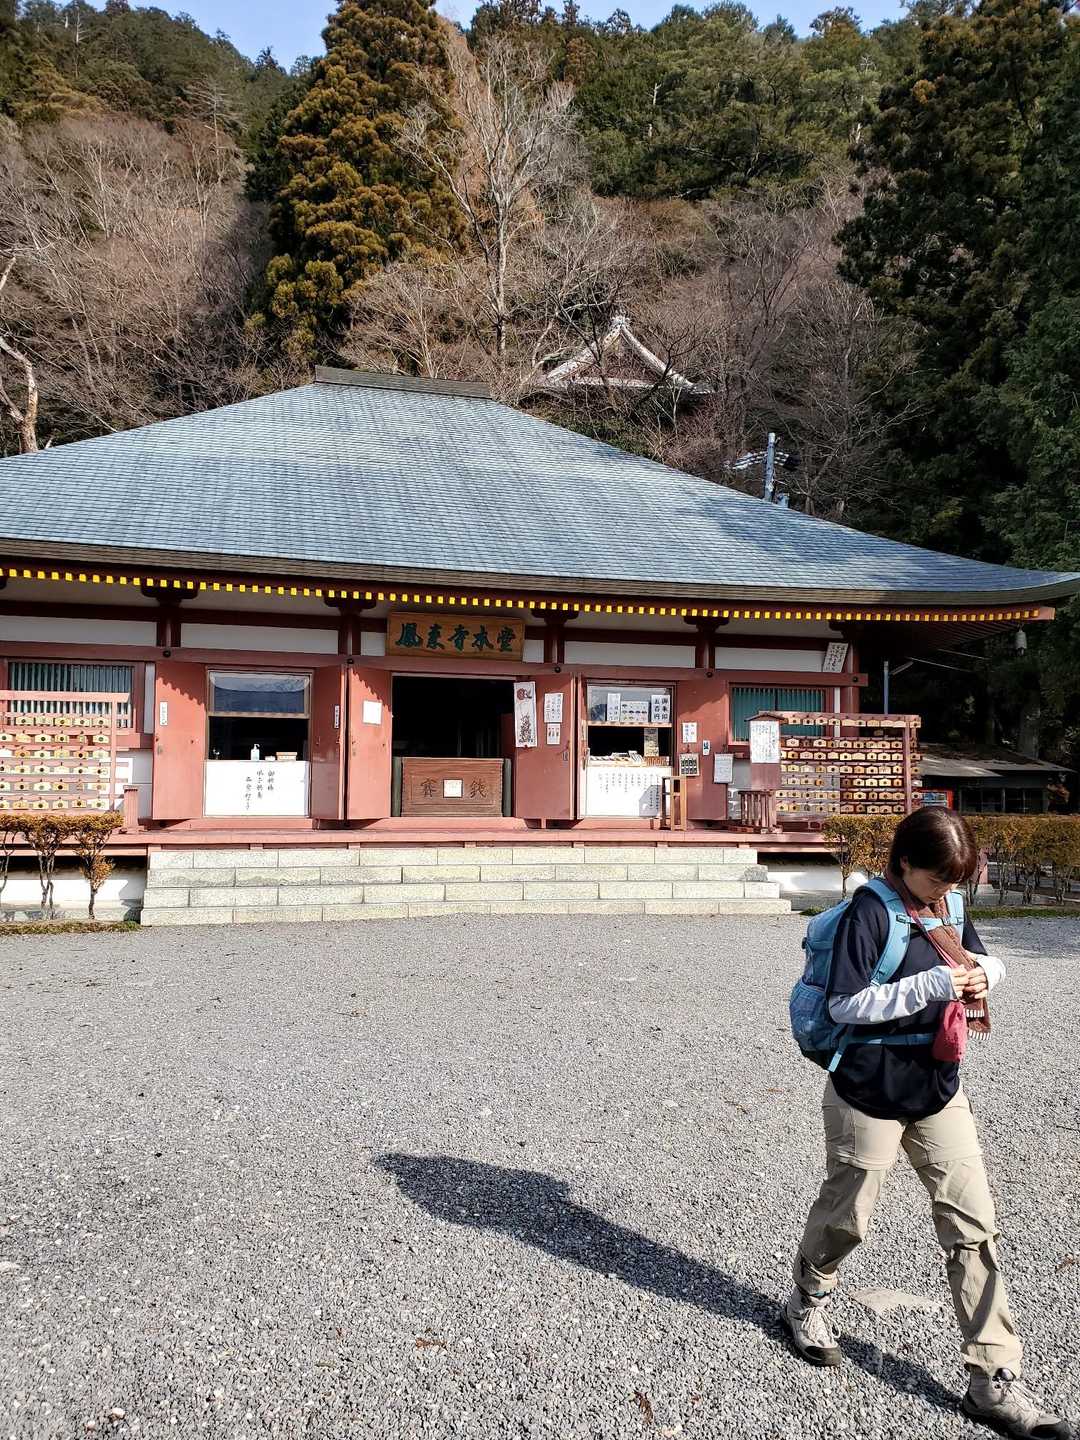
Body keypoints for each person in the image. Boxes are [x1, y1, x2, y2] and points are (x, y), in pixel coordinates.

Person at [783, 807, 1072, 1440]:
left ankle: (992, 1379)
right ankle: (808, 1296)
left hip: (939, 1087)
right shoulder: (869, 911)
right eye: (938, 877)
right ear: (905, 861)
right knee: (848, 1215)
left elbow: (983, 958)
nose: (946, 890)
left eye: (956, 880)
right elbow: (847, 1003)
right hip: (868, 1086)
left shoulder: (949, 905)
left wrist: (984, 973)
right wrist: (936, 985)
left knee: (973, 1227)